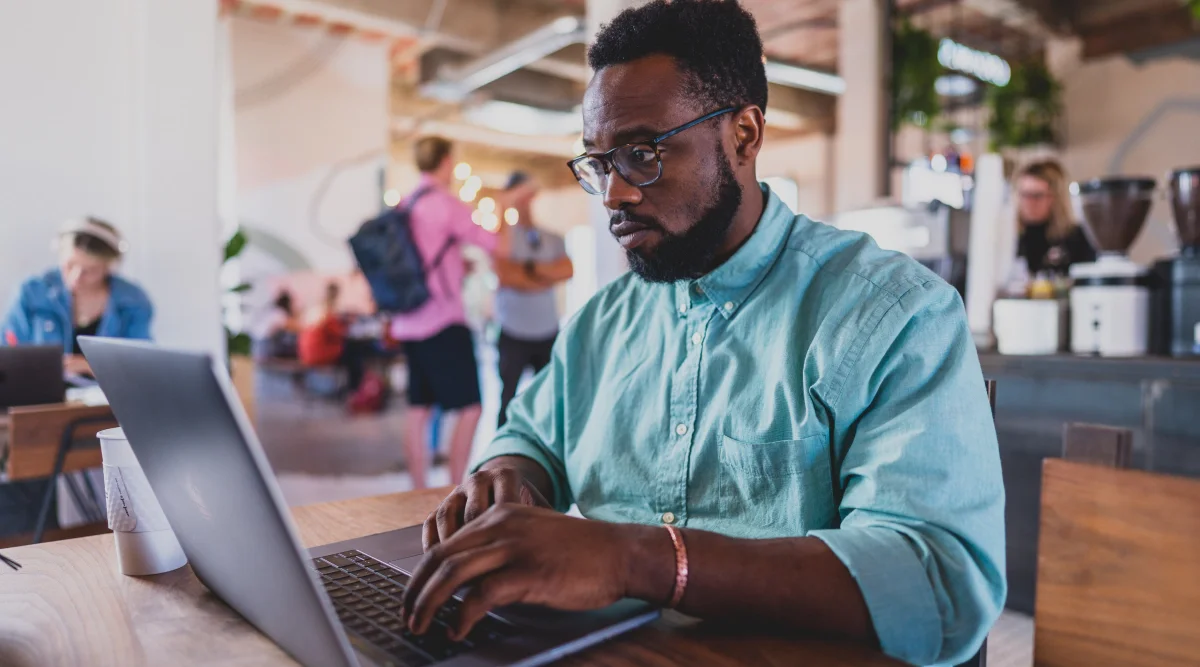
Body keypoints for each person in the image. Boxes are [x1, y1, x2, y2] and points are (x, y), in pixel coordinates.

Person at [398, 4, 1005, 666]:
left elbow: (938, 584)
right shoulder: (604, 322)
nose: (613, 195)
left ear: (744, 135)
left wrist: (636, 558)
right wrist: (508, 472)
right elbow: (533, 434)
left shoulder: (892, 314)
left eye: (642, 154)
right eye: (600, 162)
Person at [390, 136, 499, 488]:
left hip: (407, 321)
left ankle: (417, 489)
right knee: (470, 407)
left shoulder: (405, 205)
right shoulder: (446, 205)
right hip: (442, 319)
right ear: (447, 161)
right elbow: (491, 241)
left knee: (418, 409)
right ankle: (457, 487)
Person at [2, 217, 152, 376]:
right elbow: (7, 355)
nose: (76, 277)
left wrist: (90, 366)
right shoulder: (31, 292)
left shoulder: (134, 301)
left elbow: (140, 366)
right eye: (70, 265)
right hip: (41, 398)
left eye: (90, 270)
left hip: (106, 399)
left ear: (109, 268)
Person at [492, 172, 573, 427]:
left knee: (551, 399)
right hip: (513, 332)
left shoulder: (551, 237)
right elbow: (504, 273)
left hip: (547, 331)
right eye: (519, 196)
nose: (525, 202)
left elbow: (567, 270)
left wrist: (526, 270)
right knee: (507, 399)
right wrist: (543, 274)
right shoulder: (504, 239)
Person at [1015, 158, 1095, 276]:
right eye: (1024, 195)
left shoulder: (1076, 238)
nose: (1028, 203)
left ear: (1056, 198)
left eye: (1037, 196)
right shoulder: (1012, 239)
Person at [252, 290, 299, 359]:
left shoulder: (272, 311)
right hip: (265, 343)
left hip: (257, 342)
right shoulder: (279, 313)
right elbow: (294, 327)